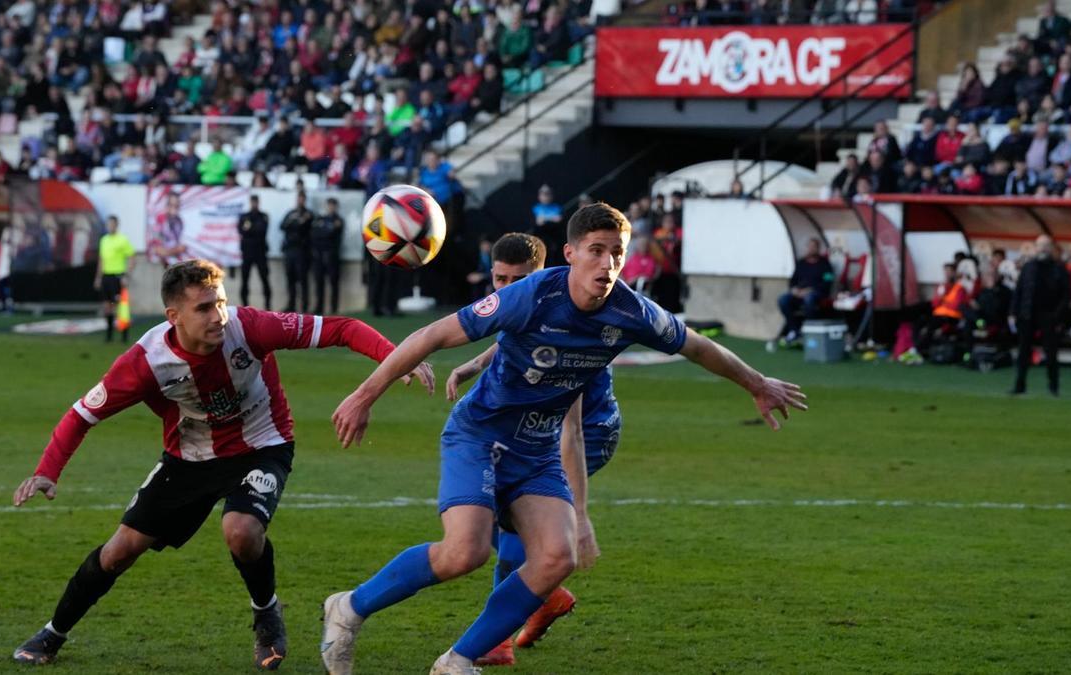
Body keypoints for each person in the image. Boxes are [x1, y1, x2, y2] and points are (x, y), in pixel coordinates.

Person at [320, 203, 806, 675]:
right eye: (596, 250)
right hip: (481, 434)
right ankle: (349, 607)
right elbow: (432, 335)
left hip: (536, 449)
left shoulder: (631, 311)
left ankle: (458, 661)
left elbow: (698, 346)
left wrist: (757, 384)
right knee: (464, 553)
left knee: (558, 556)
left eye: (617, 252)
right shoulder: (530, 295)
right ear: (570, 254)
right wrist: (365, 396)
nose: (607, 262)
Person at [10, 259, 433, 669]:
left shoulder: (249, 328)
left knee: (241, 531)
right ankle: (53, 632)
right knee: (119, 552)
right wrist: (48, 470)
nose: (218, 316)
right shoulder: (145, 362)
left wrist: (394, 357)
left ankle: (267, 614)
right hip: (189, 459)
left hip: (263, 446)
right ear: (173, 315)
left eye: (221, 302)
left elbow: (343, 328)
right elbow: (81, 415)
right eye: (204, 308)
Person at [442, 232, 617, 666]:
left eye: (517, 280)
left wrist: (580, 515)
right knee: (508, 522)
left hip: (584, 430)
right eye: (499, 280)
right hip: (538, 427)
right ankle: (544, 598)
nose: (506, 291)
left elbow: (569, 430)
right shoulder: (531, 304)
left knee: (517, 527)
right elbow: (514, 336)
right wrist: (474, 363)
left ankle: (497, 639)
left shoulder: (570, 307)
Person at [1010, 235, 1070, 395]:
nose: (1043, 248)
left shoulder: (1059, 269)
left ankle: (1054, 387)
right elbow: (1019, 291)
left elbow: (1065, 296)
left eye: (1046, 245)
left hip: (1048, 316)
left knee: (1051, 353)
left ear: (1051, 248)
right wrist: (1013, 312)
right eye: (1040, 245)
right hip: (1026, 314)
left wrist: (1056, 316)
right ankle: (1019, 386)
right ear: (1035, 248)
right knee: (1023, 352)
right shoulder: (1028, 267)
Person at [775, 238, 833, 345]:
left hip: (816, 294)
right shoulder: (801, 263)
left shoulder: (825, 264)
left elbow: (828, 282)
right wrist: (795, 289)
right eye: (809, 246)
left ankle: (809, 330)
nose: (811, 249)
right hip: (799, 294)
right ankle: (794, 330)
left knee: (809, 299)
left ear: (818, 249)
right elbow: (793, 280)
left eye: (814, 247)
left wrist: (811, 290)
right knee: (783, 300)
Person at [94, 215, 135, 343]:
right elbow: (101, 260)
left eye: (112, 224)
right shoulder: (104, 240)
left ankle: (124, 335)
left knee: (120, 307)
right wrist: (98, 277)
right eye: (108, 224)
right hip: (106, 276)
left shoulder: (122, 240)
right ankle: (109, 335)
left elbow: (132, 258)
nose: (110, 226)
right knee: (107, 306)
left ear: (116, 225)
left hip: (117, 276)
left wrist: (126, 275)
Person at [279, 190, 314, 313]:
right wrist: (295, 221)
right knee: (290, 279)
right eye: (299, 198)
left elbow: (307, 228)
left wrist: (300, 222)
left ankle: (304, 307)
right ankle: (291, 305)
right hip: (289, 250)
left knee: (303, 280)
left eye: (302, 198)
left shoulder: (309, 214)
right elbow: (282, 226)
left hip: (302, 251)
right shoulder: (291, 213)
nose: (300, 201)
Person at [237, 195, 272, 310]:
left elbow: (261, 230)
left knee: (265, 279)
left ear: (258, 202)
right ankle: (245, 307)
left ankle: (267, 306)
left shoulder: (263, 216)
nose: (254, 204)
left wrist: (250, 229)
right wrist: (252, 229)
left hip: (260, 252)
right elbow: (241, 230)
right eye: (252, 202)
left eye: (256, 202)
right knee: (245, 280)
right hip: (247, 252)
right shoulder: (244, 216)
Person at [311, 197, 344, 314]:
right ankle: (319, 307)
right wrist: (328, 229)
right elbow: (315, 234)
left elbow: (331, 234)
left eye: (333, 205)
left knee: (333, 283)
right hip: (319, 256)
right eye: (329, 205)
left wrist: (325, 230)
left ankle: (334, 309)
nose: (331, 208)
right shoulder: (321, 219)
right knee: (319, 283)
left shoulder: (339, 220)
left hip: (332, 256)